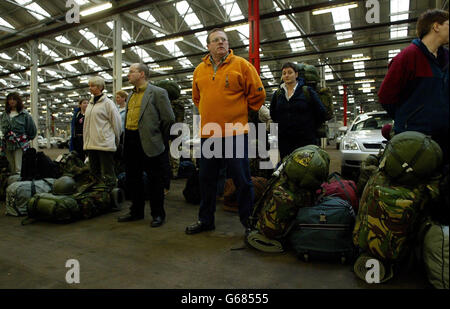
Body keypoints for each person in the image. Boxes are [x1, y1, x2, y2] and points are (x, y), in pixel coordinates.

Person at [185, 28, 266, 235]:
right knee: (207, 180)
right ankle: (206, 221)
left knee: (242, 180)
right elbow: (197, 99)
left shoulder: (242, 65)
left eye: (224, 40)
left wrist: (239, 113)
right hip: (208, 135)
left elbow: (258, 95)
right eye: (216, 40)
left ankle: (249, 223)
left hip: (235, 133)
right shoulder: (199, 71)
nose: (221, 43)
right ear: (208, 46)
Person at [378, 9, 449, 162]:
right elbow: (385, 96)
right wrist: (407, 118)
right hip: (415, 140)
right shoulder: (408, 57)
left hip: (443, 138)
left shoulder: (446, 59)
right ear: (436, 26)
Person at [117, 63, 175, 228]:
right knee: (133, 178)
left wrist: (158, 137)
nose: (128, 75)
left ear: (142, 74)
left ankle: (158, 214)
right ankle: (136, 211)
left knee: (154, 180)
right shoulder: (130, 95)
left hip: (150, 141)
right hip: (130, 141)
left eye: (131, 72)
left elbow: (169, 119)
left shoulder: (158, 93)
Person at [270, 62, 327, 161]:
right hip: (285, 140)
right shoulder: (278, 94)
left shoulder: (307, 91)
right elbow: (273, 114)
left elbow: (321, 112)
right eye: (284, 73)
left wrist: (309, 127)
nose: (286, 75)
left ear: (296, 74)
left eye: (290, 72)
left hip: (305, 140)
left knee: (305, 167)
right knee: (287, 166)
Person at [83, 76, 122, 188]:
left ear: (100, 87)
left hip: (104, 145)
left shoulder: (108, 103)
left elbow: (117, 123)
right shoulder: (90, 104)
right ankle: (98, 197)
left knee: (108, 174)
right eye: (89, 86)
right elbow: (86, 126)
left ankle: (112, 195)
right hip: (91, 145)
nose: (90, 88)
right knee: (94, 174)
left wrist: (115, 140)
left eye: (93, 86)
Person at [0, 92, 37, 174]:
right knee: (10, 167)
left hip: (19, 145)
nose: (12, 101)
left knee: (18, 168)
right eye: (10, 99)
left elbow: (32, 130)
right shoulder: (4, 115)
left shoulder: (24, 114)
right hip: (7, 145)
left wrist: (24, 140)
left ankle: (18, 184)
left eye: (14, 99)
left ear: (18, 101)